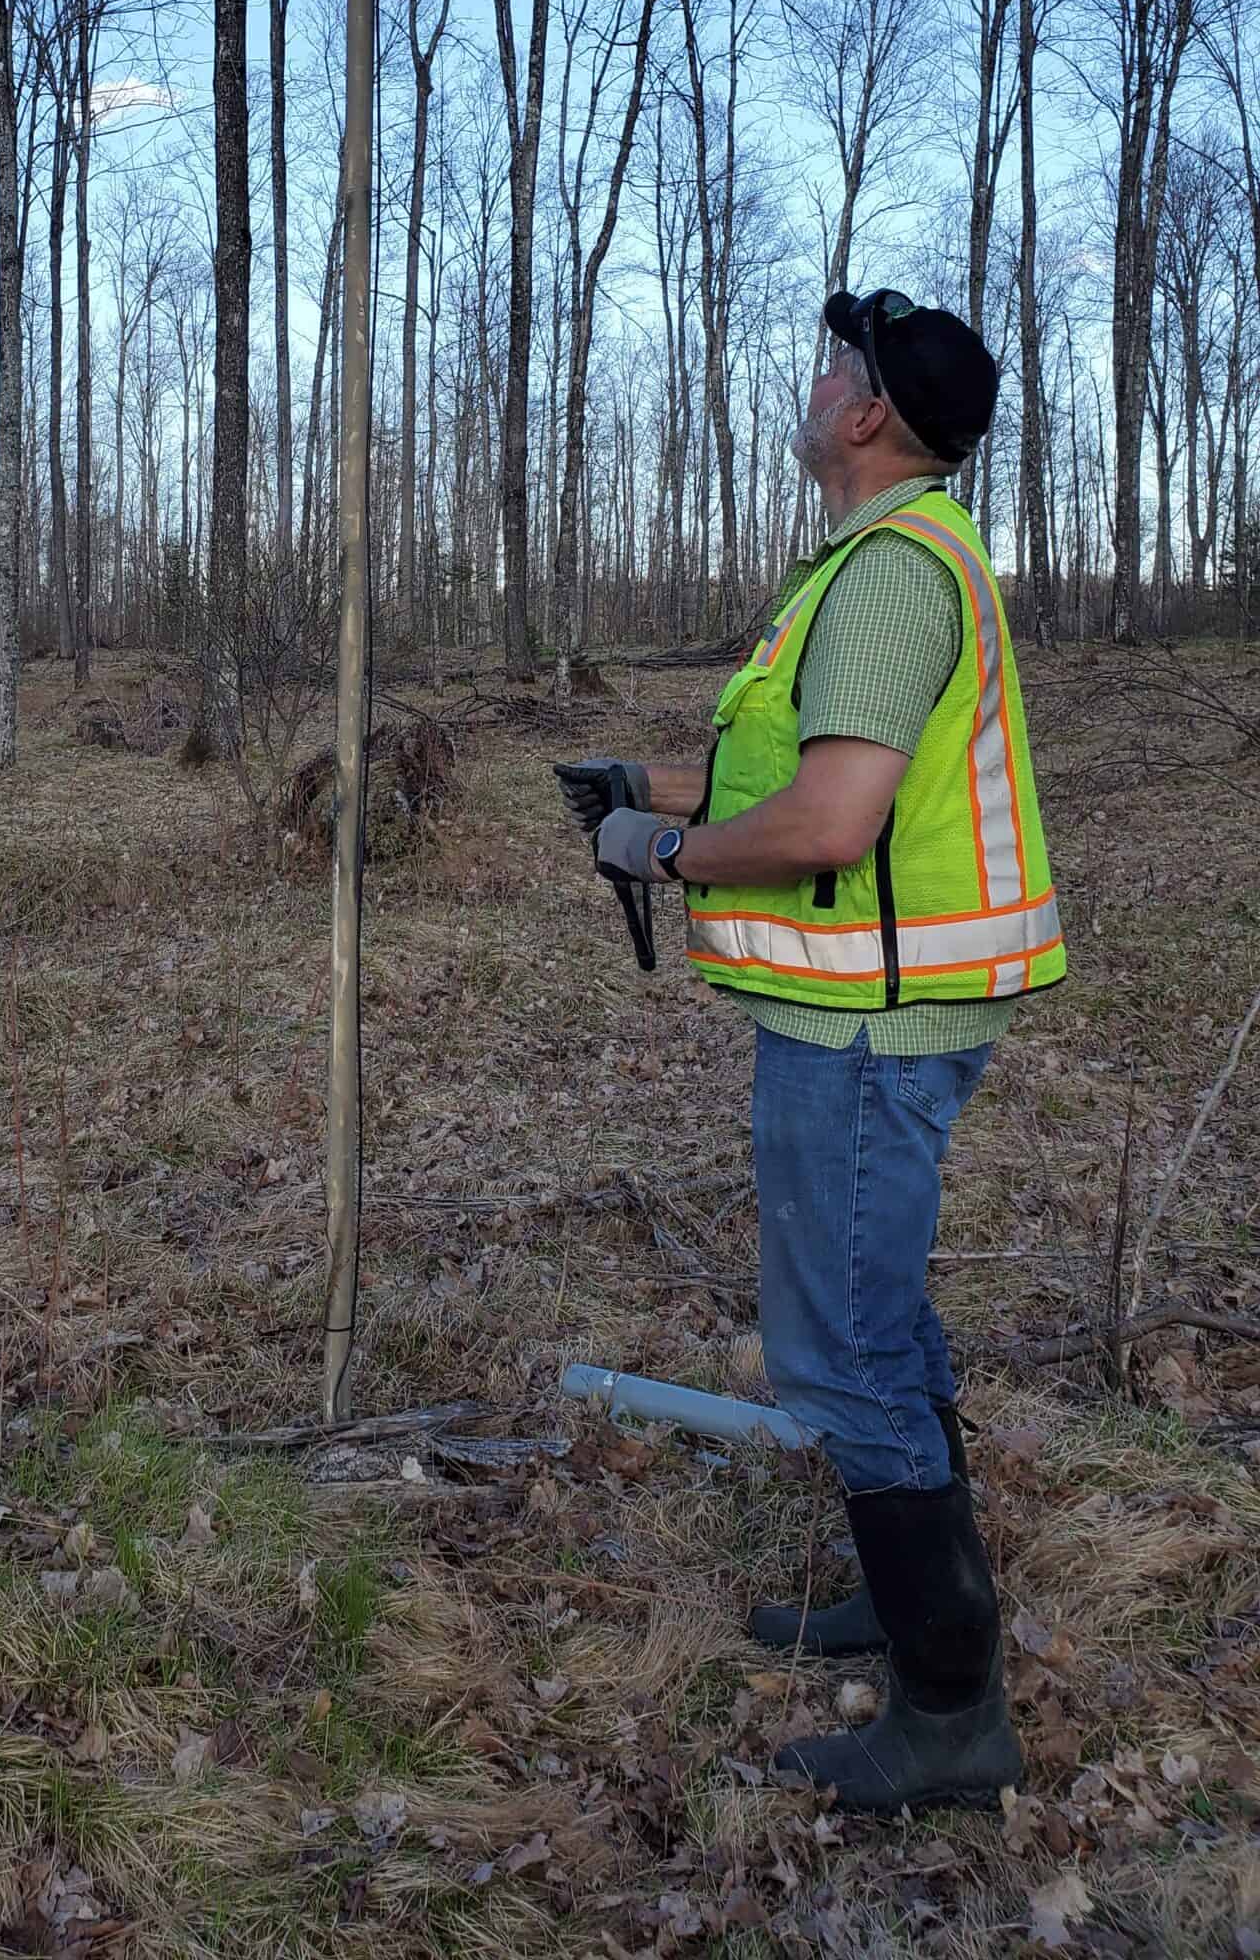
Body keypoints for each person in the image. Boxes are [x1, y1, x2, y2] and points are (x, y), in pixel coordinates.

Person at [556, 289, 1065, 1815]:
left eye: (835, 362)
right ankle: (914, 1612)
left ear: (866, 417)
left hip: (864, 1034)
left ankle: (951, 1711)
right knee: (885, 1330)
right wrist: (637, 776)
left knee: (843, 1358)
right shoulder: (860, 569)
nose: (816, 374)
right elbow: (794, 763)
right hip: (860, 1023)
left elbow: (832, 823)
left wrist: (666, 847)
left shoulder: (897, 575)